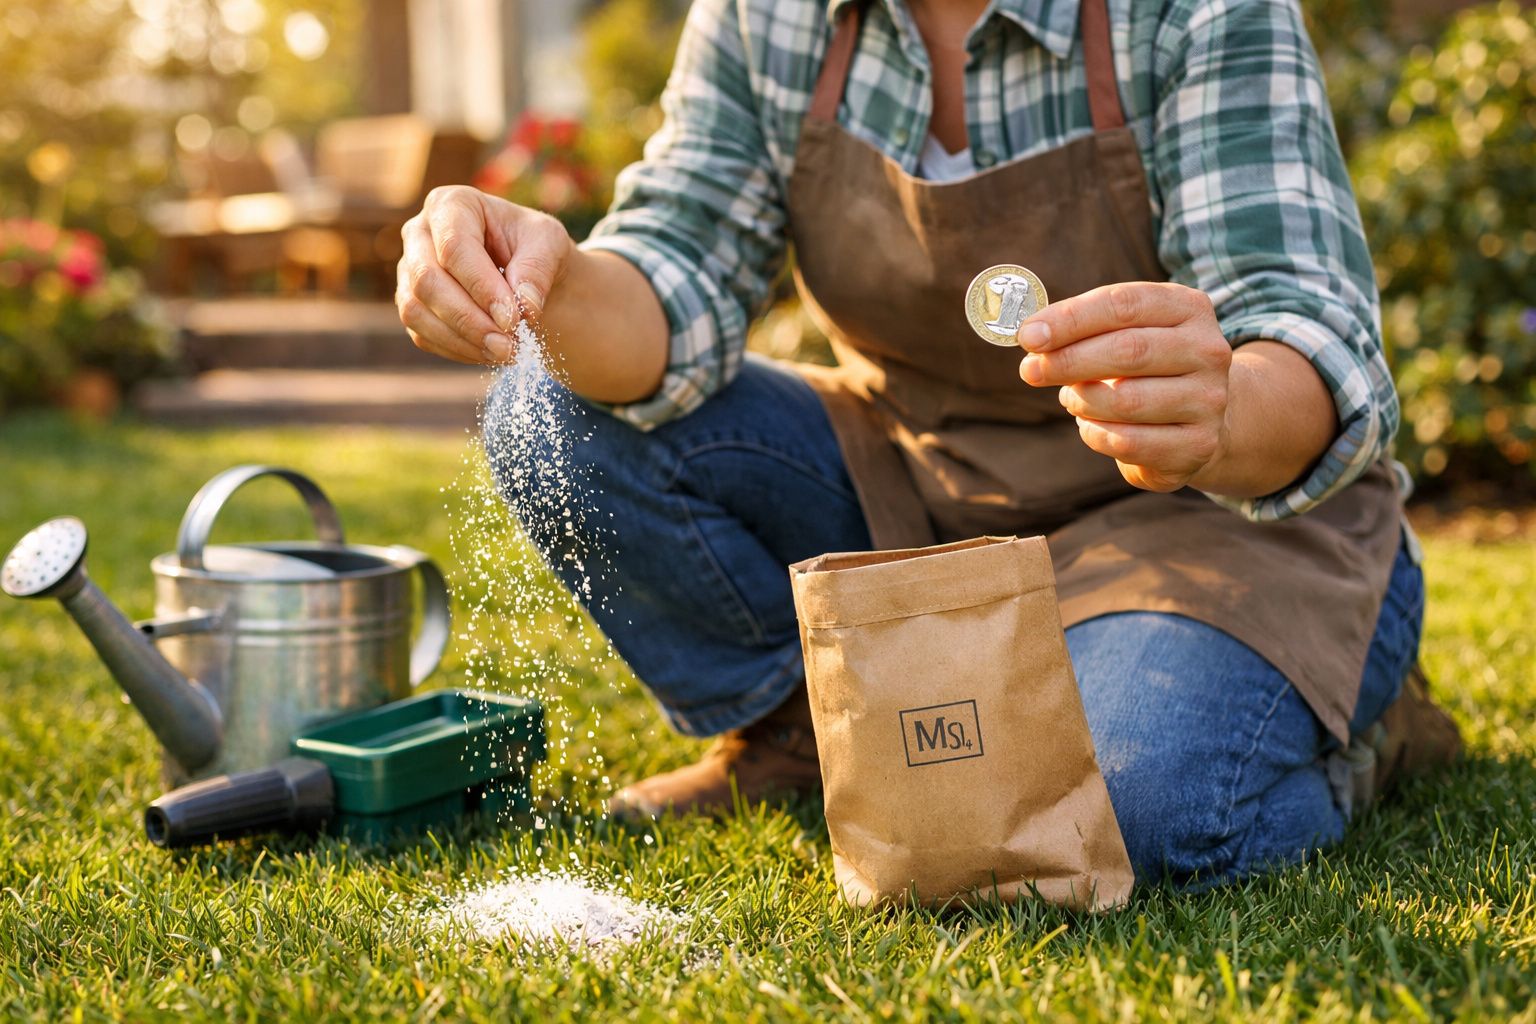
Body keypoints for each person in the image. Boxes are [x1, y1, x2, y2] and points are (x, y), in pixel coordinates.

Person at [396, 0, 1461, 886]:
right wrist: (545, 284)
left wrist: (1220, 406)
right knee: (548, 409)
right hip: (918, 487)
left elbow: (1305, 331)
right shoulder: (771, 15)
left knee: (1116, 814)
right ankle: (812, 737)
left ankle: (1344, 724)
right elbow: (672, 278)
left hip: (1204, 528)